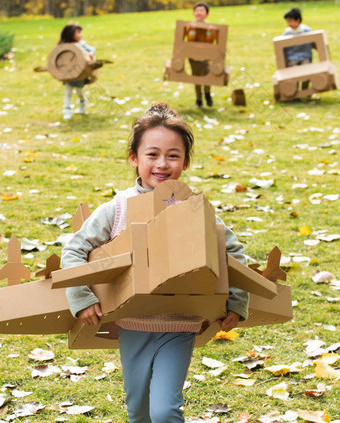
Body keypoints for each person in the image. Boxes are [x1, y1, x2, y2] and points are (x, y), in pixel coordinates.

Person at [62, 102, 249, 423]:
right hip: (132, 323)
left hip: (180, 323)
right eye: (152, 154)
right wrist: (81, 297)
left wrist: (237, 301)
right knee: (139, 410)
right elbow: (74, 251)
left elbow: (233, 253)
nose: (162, 164)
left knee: (164, 411)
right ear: (134, 158)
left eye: (173, 155)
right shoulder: (117, 208)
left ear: (185, 162)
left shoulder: (194, 209)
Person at [58, 22, 96, 120]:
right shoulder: (63, 46)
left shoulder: (81, 45)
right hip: (68, 74)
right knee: (68, 92)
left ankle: (82, 105)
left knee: (79, 92)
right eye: (78, 32)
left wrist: (90, 53)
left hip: (79, 74)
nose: (80, 35)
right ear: (70, 34)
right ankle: (67, 111)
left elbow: (92, 49)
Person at [184, 2, 217, 108]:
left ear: (207, 14)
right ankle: (198, 99)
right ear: (194, 14)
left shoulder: (210, 28)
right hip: (193, 58)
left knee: (207, 75)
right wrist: (192, 31)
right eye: (197, 11)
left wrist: (209, 32)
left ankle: (207, 94)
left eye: (201, 10)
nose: (199, 12)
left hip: (205, 57)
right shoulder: (190, 27)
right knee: (196, 78)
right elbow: (190, 40)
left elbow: (210, 41)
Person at [283, 7, 312, 90]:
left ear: (298, 20)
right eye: (287, 21)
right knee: (293, 74)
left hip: (304, 57)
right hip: (292, 58)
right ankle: (294, 93)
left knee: (307, 71)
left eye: (291, 21)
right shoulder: (287, 33)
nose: (289, 24)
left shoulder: (306, 30)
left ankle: (305, 91)